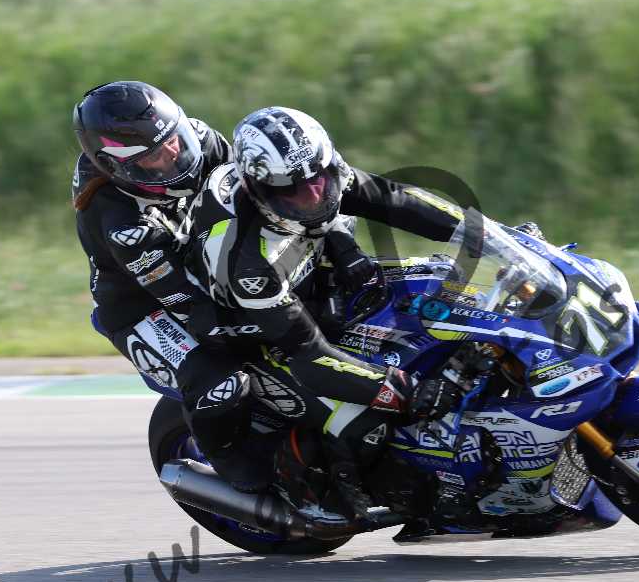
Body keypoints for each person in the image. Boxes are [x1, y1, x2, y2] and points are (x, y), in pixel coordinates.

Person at [185, 106, 473, 518]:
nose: (313, 198)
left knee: (439, 295)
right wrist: (404, 390)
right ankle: (305, 484)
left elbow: (395, 199)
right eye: (293, 192)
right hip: (256, 332)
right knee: (368, 425)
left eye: (318, 181)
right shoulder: (248, 261)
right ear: (259, 190)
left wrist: (484, 232)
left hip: (307, 274)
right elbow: (309, 356)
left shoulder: (315, 170)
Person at [71, 80, 252, 478]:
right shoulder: (119, 219)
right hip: (144, 306)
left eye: (173, 139)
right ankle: (236, 470)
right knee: (219, 380)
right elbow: (184, 300)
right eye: (155, 156)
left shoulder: (197, 139)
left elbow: (251, 189)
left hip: (199, 257)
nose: (173, 153)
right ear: (119, 166)